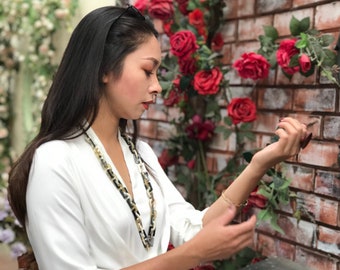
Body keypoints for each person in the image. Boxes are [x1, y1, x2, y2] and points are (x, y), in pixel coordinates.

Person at [8, 5, 308, 270]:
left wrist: (259, 164)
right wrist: (190, 256)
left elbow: (192, 229)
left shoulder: (140, 153)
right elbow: (194, 247)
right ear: (103, 69)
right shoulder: (56, 161)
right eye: (147, 71)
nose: (158, 87)